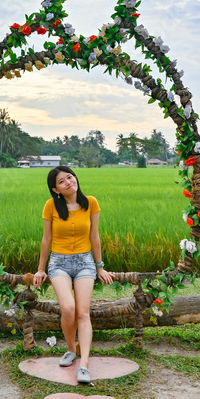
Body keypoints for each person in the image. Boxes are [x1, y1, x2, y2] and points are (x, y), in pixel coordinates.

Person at [33, 165, 115, 384]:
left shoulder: (90, 203)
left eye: (70, 177)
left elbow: (95, 237)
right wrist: (41, 269)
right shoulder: (51, 205)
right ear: (56, 189)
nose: (69, 182)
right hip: (58, 262)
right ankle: (71, 350)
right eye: (62, 181)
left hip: (84, 263)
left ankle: (84, 365)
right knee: (68, 309)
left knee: (83, 313)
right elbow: (46, 239)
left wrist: (100, 267)